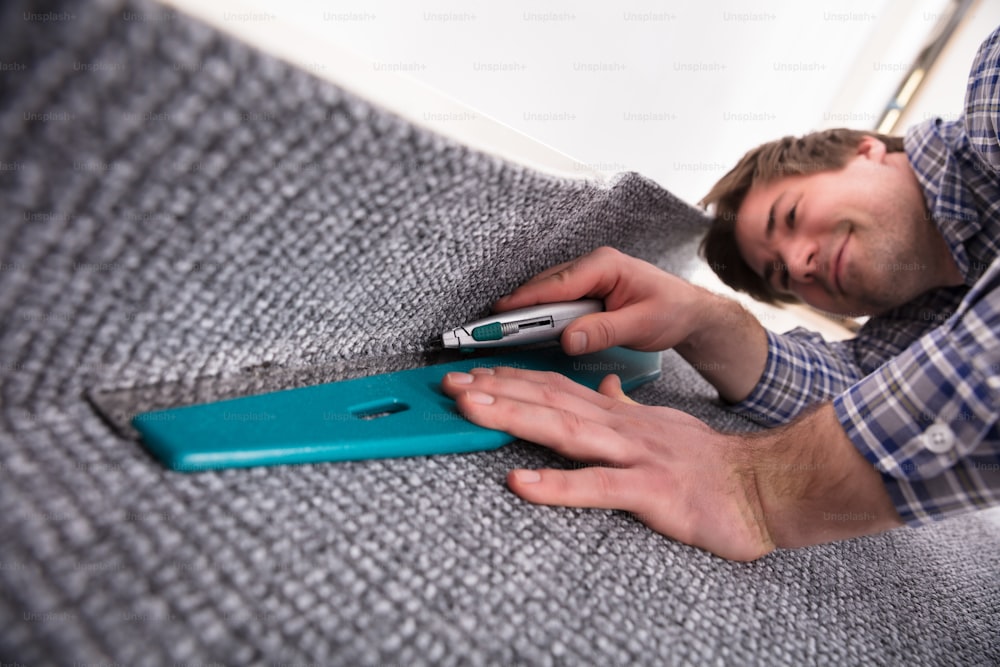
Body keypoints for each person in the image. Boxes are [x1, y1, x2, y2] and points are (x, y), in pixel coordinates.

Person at [441, 25, 1000, 561]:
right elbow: (865, 397)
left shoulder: (991, 95)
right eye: (786, 278)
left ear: (865, 149)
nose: (804, 260)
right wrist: (702, 320)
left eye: (793, 214)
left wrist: (758, 485)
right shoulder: (926, 311)